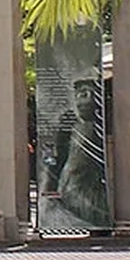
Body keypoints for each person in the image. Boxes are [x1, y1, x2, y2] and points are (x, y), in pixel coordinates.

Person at [39, 67, 111, 229]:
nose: (83, 100)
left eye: (89, 93)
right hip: (68, 192)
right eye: (80, 93)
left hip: (91, 192)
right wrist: (49, 188)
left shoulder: (103, 123)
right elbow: (54, 155)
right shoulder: (69, 124)